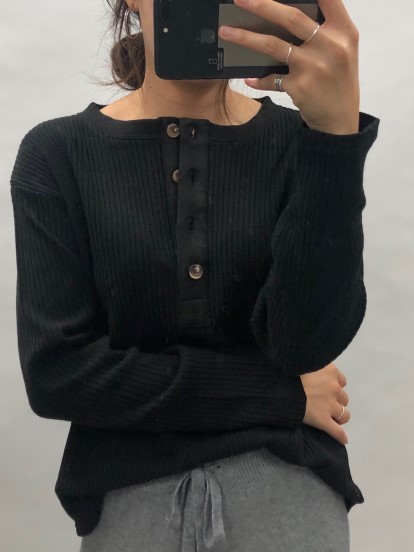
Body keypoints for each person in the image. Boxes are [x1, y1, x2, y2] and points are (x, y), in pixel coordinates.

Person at [9, 0, 380, 550]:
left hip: (289, 493)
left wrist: (335, 137)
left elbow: (306, 343)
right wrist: (281, 396)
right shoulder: (57, 154)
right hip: (128, 499)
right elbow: (58, 375)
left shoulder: (299, 141)